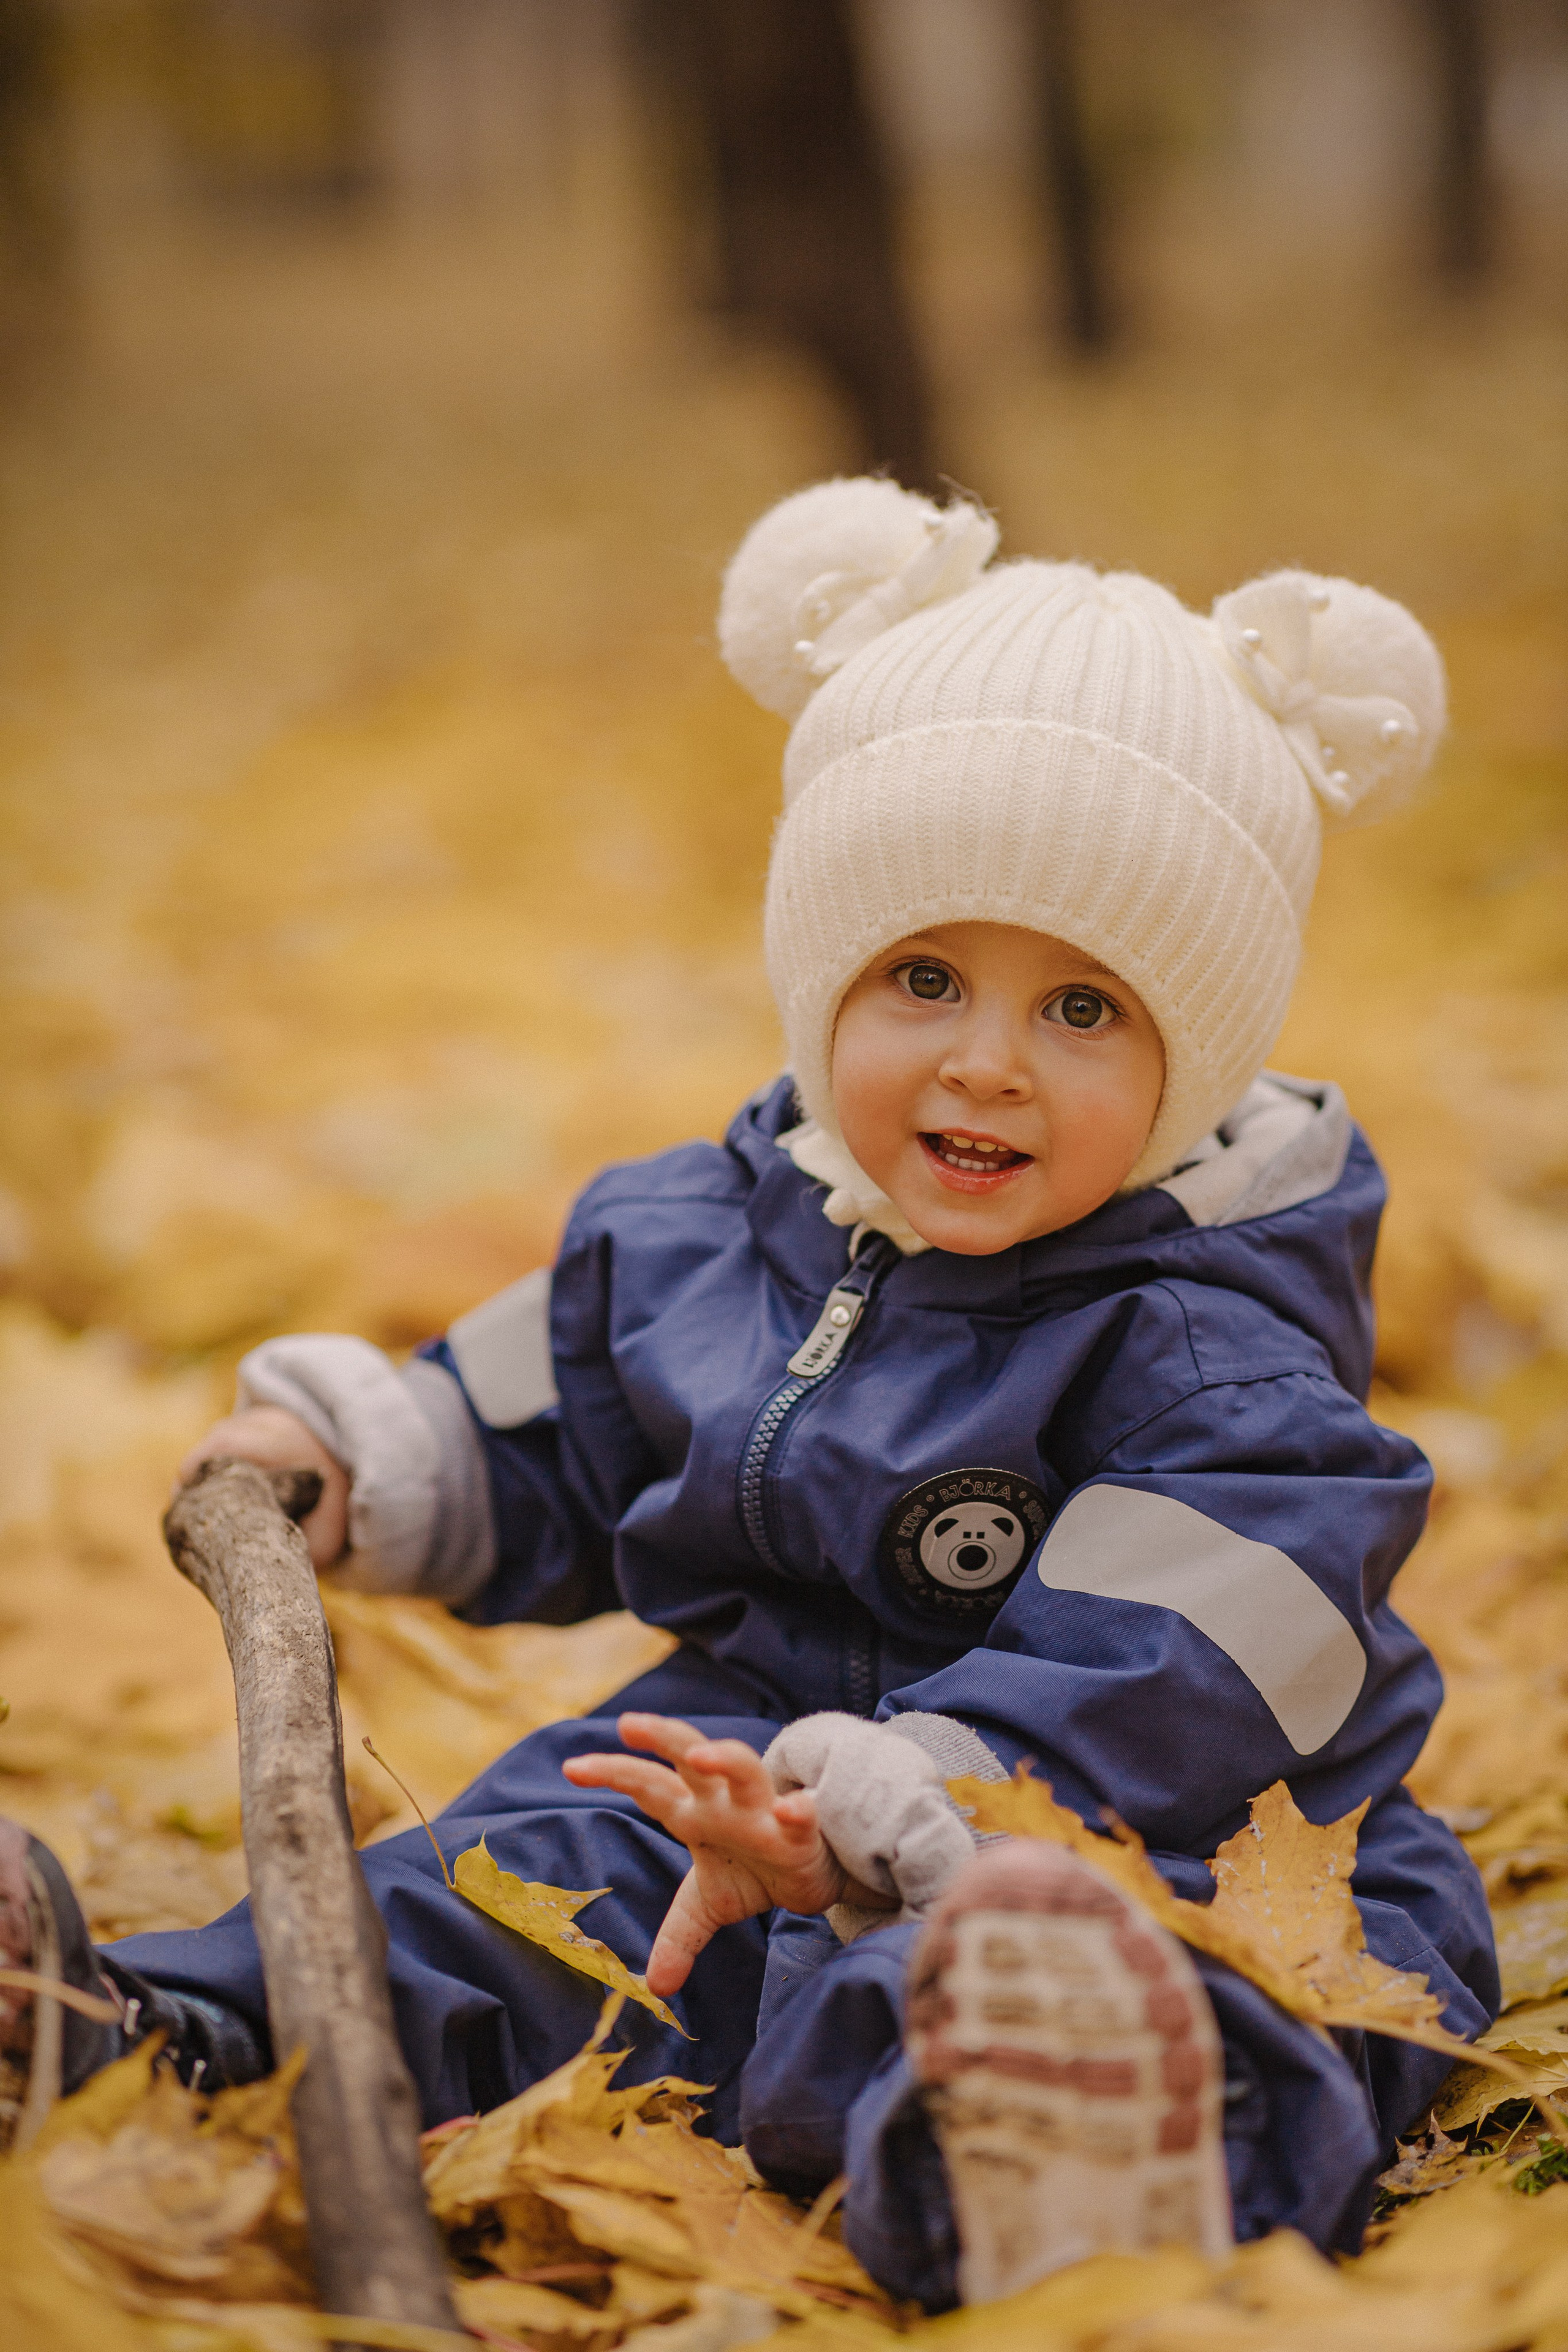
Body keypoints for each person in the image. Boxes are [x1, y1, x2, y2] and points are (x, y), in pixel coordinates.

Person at [0, 479, 1497, 2307]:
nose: (987, 1064)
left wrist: (916, 1797)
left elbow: (1174, 1673)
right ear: (820, 977)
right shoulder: (716, 1231)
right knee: (518, 1875)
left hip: (1148, 1831)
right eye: (925, 977)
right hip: (740, 1771)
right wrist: (363, 1458)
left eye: (1084, 1011)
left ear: (1201, 1059)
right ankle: (155, 2037)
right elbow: (559, 1404)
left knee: (1179, 1984)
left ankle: (1085, 2149)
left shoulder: (1216, 1348)